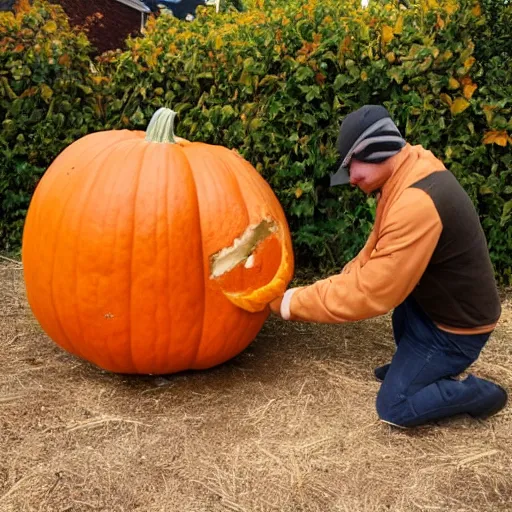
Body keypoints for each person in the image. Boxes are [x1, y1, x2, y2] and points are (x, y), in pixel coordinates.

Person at [270, 105, 507, 428]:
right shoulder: (408, 171)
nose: (351, 178)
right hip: (428, 304)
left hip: (457, 329)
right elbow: (377, 248)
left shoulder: (417, 202)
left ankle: (476, 394)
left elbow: (372, 291)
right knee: (400, 314)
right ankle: (412, 366)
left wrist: (289, 302)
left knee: (395, 406)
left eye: (352, 166)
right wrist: (346, 276)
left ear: (375, 149)